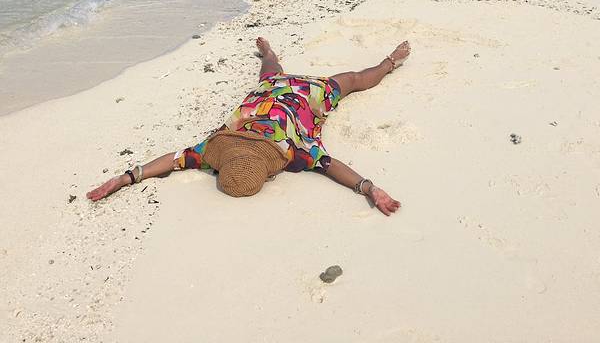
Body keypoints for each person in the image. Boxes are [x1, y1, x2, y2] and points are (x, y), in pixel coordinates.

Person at [87, 37, 411, 216]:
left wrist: (127, 177)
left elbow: (172, 160)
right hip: (309, 96)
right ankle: (389, 63)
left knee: (269, 68)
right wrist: (370, 188)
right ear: (270, 171)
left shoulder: (212, 150)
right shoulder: (295, 153)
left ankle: (268, 51)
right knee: (353, 80)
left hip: (268, 90)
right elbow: (334, 167)